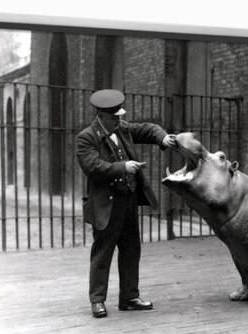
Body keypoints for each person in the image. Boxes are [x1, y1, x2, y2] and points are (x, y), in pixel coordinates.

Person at [75, 89, 177, 318]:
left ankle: (129, 297)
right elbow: (93, 167)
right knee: (103, 253)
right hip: (106, 205)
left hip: (128, 201)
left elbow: (147, 128)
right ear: (101, 116)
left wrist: (162, 137)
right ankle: (97, 301)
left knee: (131, 250)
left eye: (119, 117)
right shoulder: (86, 138)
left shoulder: (121, 128)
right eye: (114, 117)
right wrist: (124, 167)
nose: (119, 121)